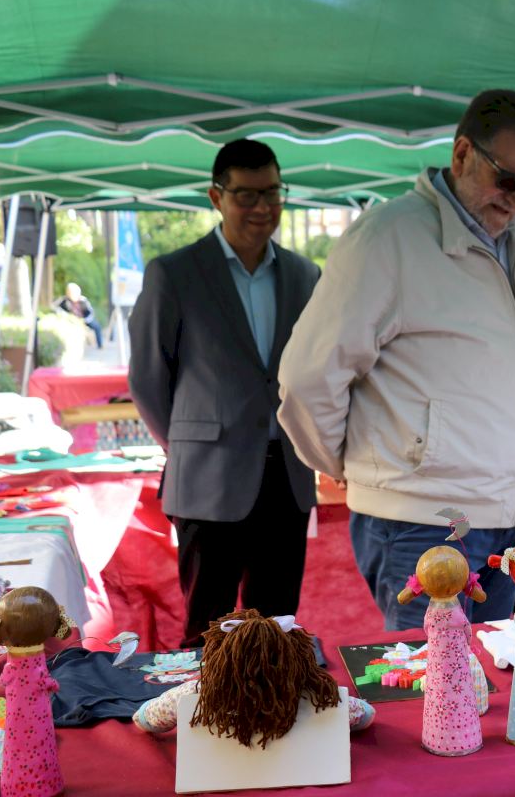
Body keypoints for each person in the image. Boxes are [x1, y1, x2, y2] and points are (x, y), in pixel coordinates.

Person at [277, 90, 515, 631]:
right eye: (507, 180)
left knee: (487, 680)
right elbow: (308, 377)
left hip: (505, 519)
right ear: (462, 154)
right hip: (423, 523)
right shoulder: (389, 237)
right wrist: (351, 466)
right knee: (432, 684)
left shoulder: (509, 245)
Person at [129, 139, 320, 648]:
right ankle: (204, 704)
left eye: (272, 193)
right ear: (216, 197)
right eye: (246, 195)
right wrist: (188, 445)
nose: (262, 207)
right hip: (207, 478)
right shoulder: (175, 273)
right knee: (207, 630)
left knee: (277, 632)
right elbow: (148, 377)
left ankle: (271, 702)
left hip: (288, 476)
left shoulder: (305, 275)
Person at [56, 282, 102, 349]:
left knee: (97, 326)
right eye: (70, 292)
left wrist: (85, 320)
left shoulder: (83, 300)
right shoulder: (64, 300)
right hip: (71, 320)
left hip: (85, 319)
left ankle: (100, 345)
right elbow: (55, 307)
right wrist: (65, 315)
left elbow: (90, 312)